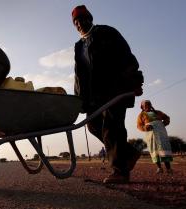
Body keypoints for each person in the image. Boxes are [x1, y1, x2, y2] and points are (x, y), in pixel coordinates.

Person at [72, 5, 144, 183]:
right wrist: (79, 99)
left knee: (112, 126)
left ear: (90, 19)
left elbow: (125, 55)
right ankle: (129, 153)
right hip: (95, 96)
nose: (80, 23)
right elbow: (80, 75)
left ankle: (120, 171)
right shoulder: (79, 46)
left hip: (115, 88)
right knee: (94, 126)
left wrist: (134, 80)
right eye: (76, 21)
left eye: (83, 19)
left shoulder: (106, 33)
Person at [137, 100, 173, 174]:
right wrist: (145, 128)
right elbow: (139, 126)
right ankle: (159, 168)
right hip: (151, 134)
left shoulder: (158, 112)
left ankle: (169, 169)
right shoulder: (141, 115)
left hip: (161, 133)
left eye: (149, 104)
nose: (148, 106)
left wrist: (165, 122)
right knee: (154, 149)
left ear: (151, 105)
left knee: (163, 149)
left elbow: (166, 117)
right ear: (142, 107)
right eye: (146, 105)